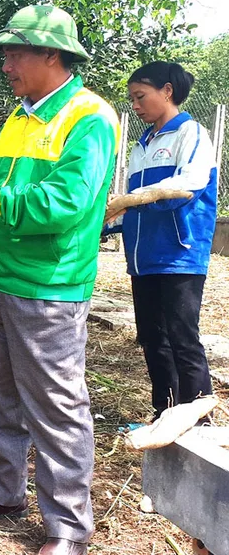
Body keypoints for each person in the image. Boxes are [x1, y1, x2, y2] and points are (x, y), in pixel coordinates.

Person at [0, 5, 119, 555]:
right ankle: (3, 493)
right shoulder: (20, 115)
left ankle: (67, 529)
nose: (6, 62)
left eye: (16, 52)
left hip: (50, 288)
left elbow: (67, 202)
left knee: (57, 406)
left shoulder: (90, 118)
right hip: (0, 279)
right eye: (5, 53)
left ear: (52, 56)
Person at [102, 62, 217, 422]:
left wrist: (131, 199)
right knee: (152, 339)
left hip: (179, 255)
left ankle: (199, 419)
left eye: (141, 97)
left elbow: (188, 185)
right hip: (144, 258)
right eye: (132, 99)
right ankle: (165, 414)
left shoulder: (191, 134)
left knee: (183, 339)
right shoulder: (142, 145)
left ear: (167, 91)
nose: (135, 106)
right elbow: (137, 205)